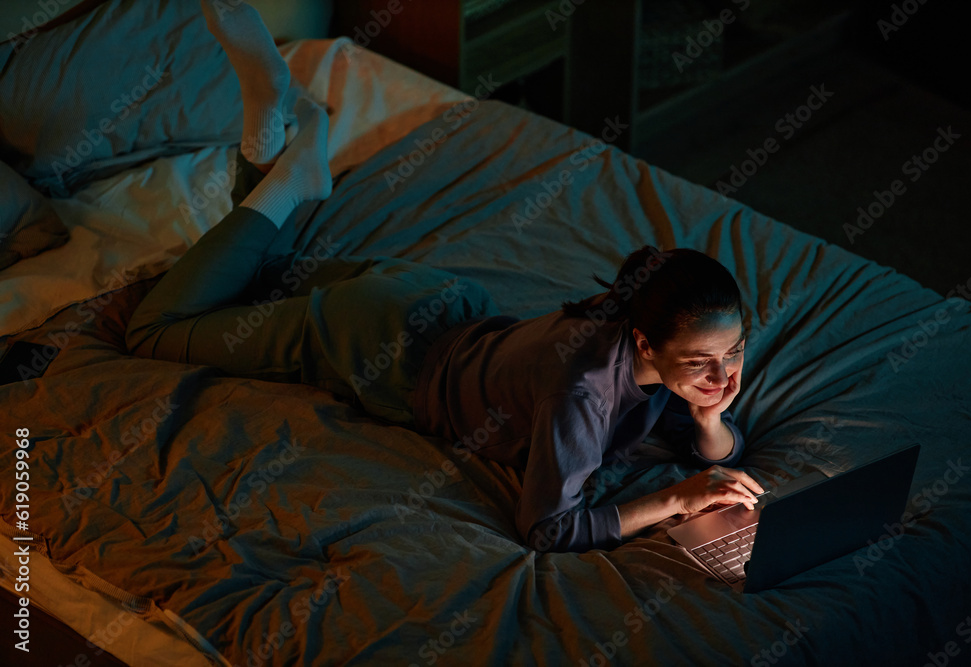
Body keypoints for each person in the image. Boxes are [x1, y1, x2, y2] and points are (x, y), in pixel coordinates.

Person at [126, 0, 764, 555]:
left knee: (260, 278)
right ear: (646, 345)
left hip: (432, 304)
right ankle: (293, 181)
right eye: (704, 362)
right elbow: (545, 529)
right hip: (378, 346)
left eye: (734, 351)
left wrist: (711, 417)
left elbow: (711, 451)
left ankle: (270, 132)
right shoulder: (584, 391)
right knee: (155, 331)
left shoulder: (642, 317)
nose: (723, 375)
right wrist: (674, 503)